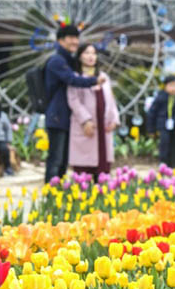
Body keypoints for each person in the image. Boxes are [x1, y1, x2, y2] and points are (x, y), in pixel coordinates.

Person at [43, 25, 105, 183]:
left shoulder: (68, 60)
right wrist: (94, 81)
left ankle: (58, 192)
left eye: (76, 38)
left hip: (64, 117)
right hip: (57, 116)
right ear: (60, 40)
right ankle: (50, 191)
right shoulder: (57, 61)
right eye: (70, 38)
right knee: (56, 159)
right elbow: (72, 80)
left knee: (63, 159)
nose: (75, 41)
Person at [67, 43, 120, 177]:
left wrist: (114, 119)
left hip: (104, 127)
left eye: (93, 53)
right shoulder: (76, 77)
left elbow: (111, 100)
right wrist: (85, 120)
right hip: (86, 127)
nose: (91, 56)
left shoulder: (103, 76)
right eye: (87, 53)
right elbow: (74, 100)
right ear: (79, 57)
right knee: (84, 172)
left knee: (103, 169)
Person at [147, 75, 175, 167]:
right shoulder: (160, 97)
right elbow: (152, 113)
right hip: (163, 123)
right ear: (165, 86)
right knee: (164, 141)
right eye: (171, 86)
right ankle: (163, 161)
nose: (173, 88)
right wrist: (151, 129)